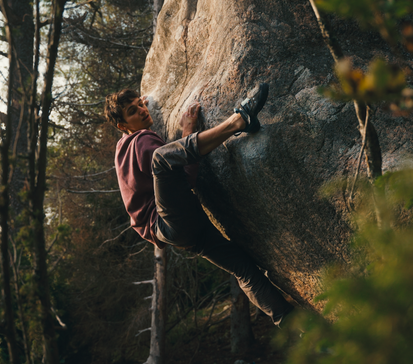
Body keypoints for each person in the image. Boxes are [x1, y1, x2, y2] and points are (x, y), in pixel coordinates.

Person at [104, 84, 293, 325]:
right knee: (162, 158)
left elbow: (134, 120)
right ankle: (238, 121)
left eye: (141, 104)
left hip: (180, 234)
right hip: (170, 219)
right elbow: (186, 178)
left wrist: (137, 107)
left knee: (243, 269)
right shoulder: (141, 140)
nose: (142, 110)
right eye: (133, 111)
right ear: (123, 126)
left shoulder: (123, 145)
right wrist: (188, 130)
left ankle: (292, 326)